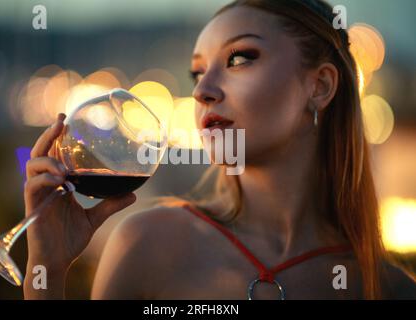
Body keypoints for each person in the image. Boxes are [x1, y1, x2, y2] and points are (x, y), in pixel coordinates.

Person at [23, 0, 416, 300]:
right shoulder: (148, 244)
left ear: (320, 86)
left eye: (239, 58)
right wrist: (48, 271)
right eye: (197, 71)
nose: (201, 90)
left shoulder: (389, 288)